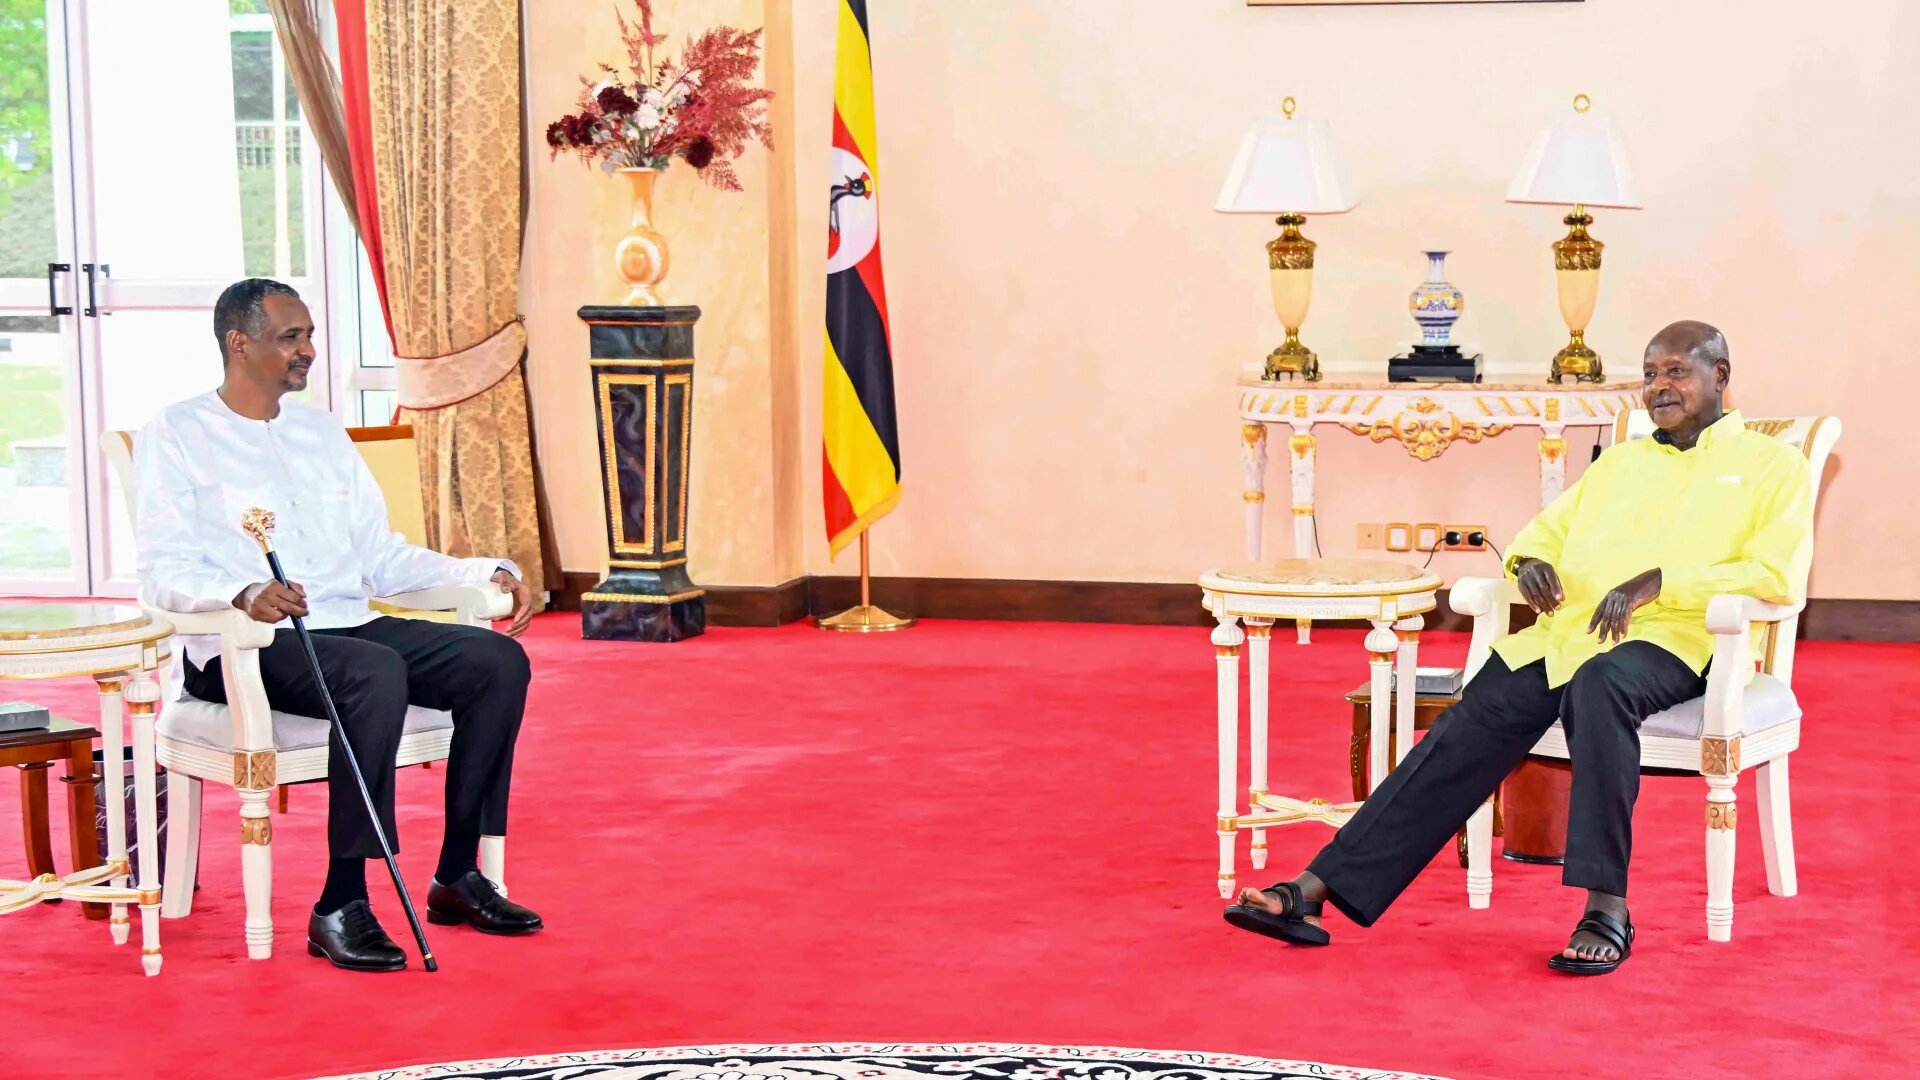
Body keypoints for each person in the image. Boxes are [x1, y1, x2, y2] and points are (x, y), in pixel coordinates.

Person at [1223, 320, 1812, 975]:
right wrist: (1529, 562)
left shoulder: (1770, 466)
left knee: (1602, 686)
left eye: (1676, 371)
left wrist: (1664, 582)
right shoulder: (1621, 462)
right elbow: (1544, 535)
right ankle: (1315, 890)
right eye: (1649, 374)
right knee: (1469, 722)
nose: (1659, 387)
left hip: (1680, 641)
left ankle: (1606, 907)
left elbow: (1776, 574)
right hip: (1570, 637)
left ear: (1720, 376)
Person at [134, 278, 545, 972]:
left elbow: (379, 556)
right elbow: (162, 567)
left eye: (309, 335)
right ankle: (341, 901)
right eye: (290, 337)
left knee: (496, 663)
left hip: (347, 626)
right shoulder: (176, 433)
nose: (309, 351)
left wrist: (480, 571)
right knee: (375, 672)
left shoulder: (321, 431)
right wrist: (242, 590)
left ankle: (456, 875)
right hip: (244, 648)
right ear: (240, 343)